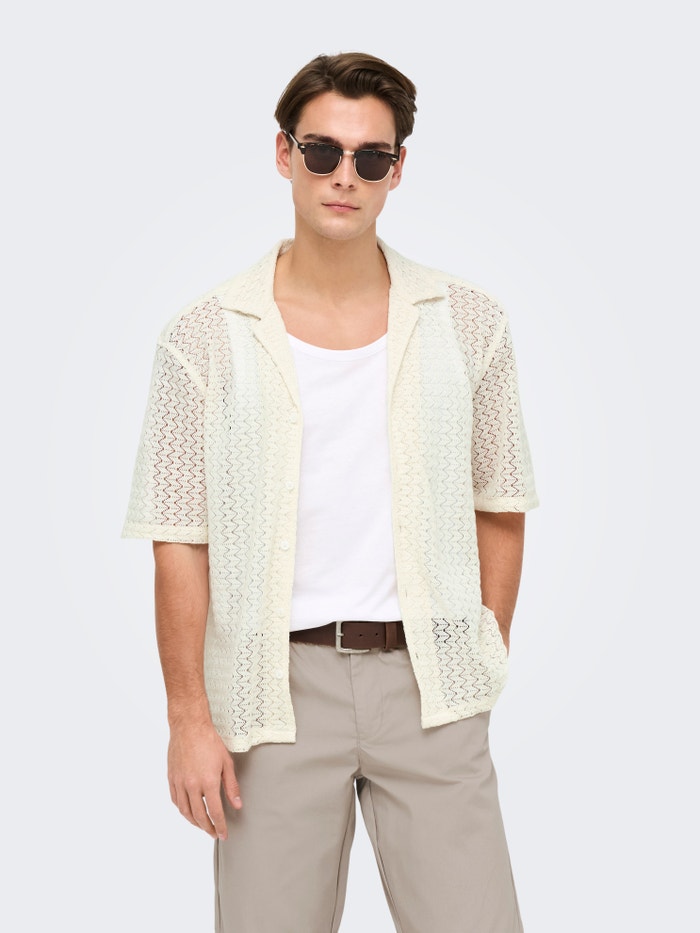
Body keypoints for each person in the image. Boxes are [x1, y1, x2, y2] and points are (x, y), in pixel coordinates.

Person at [123, 51, 538, 933]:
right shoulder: (203, 338)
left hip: (431, 688)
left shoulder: (469, 324)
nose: (344, 176)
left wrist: (480, 649)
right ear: (284, 154)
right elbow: (178, 540)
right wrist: (188, 718)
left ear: (397, 170)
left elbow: (501, 503)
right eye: (322, 152)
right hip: (271, 694)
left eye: (370, 157)